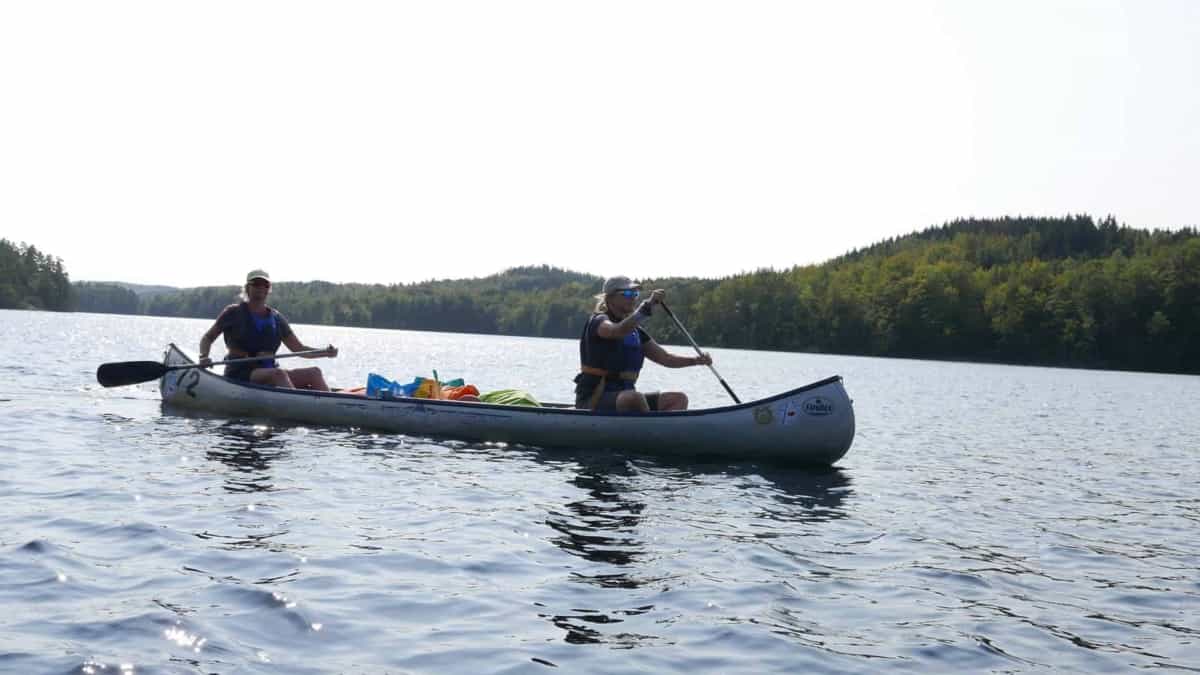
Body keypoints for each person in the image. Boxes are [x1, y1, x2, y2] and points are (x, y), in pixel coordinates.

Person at [574, 276, 713, 412]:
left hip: (625, 397)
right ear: (610, 298)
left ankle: (665, 432)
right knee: (634, 398)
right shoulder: (598, 321)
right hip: (594, 399)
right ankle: (654, 432)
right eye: (627, 293)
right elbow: (616, 331)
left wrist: (696, 361)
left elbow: (666, 358)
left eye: (635, 293)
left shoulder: (636, 332)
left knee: (678, 399)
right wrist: (647, 306)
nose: (633, 297)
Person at [198, 270, 338, 390]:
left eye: (264, 285)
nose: (260, 288)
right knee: (279, 374)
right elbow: (208, 338)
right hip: (240, 372)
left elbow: (299, 348)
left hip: (269, 372)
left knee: (314, 373)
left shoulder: (277, 318)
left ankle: (332, 411)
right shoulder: (232, 312)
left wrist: (325, 352)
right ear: (247, 288)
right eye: (256, 284)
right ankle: (298, 408)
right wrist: (204, 357)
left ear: (268, 289)